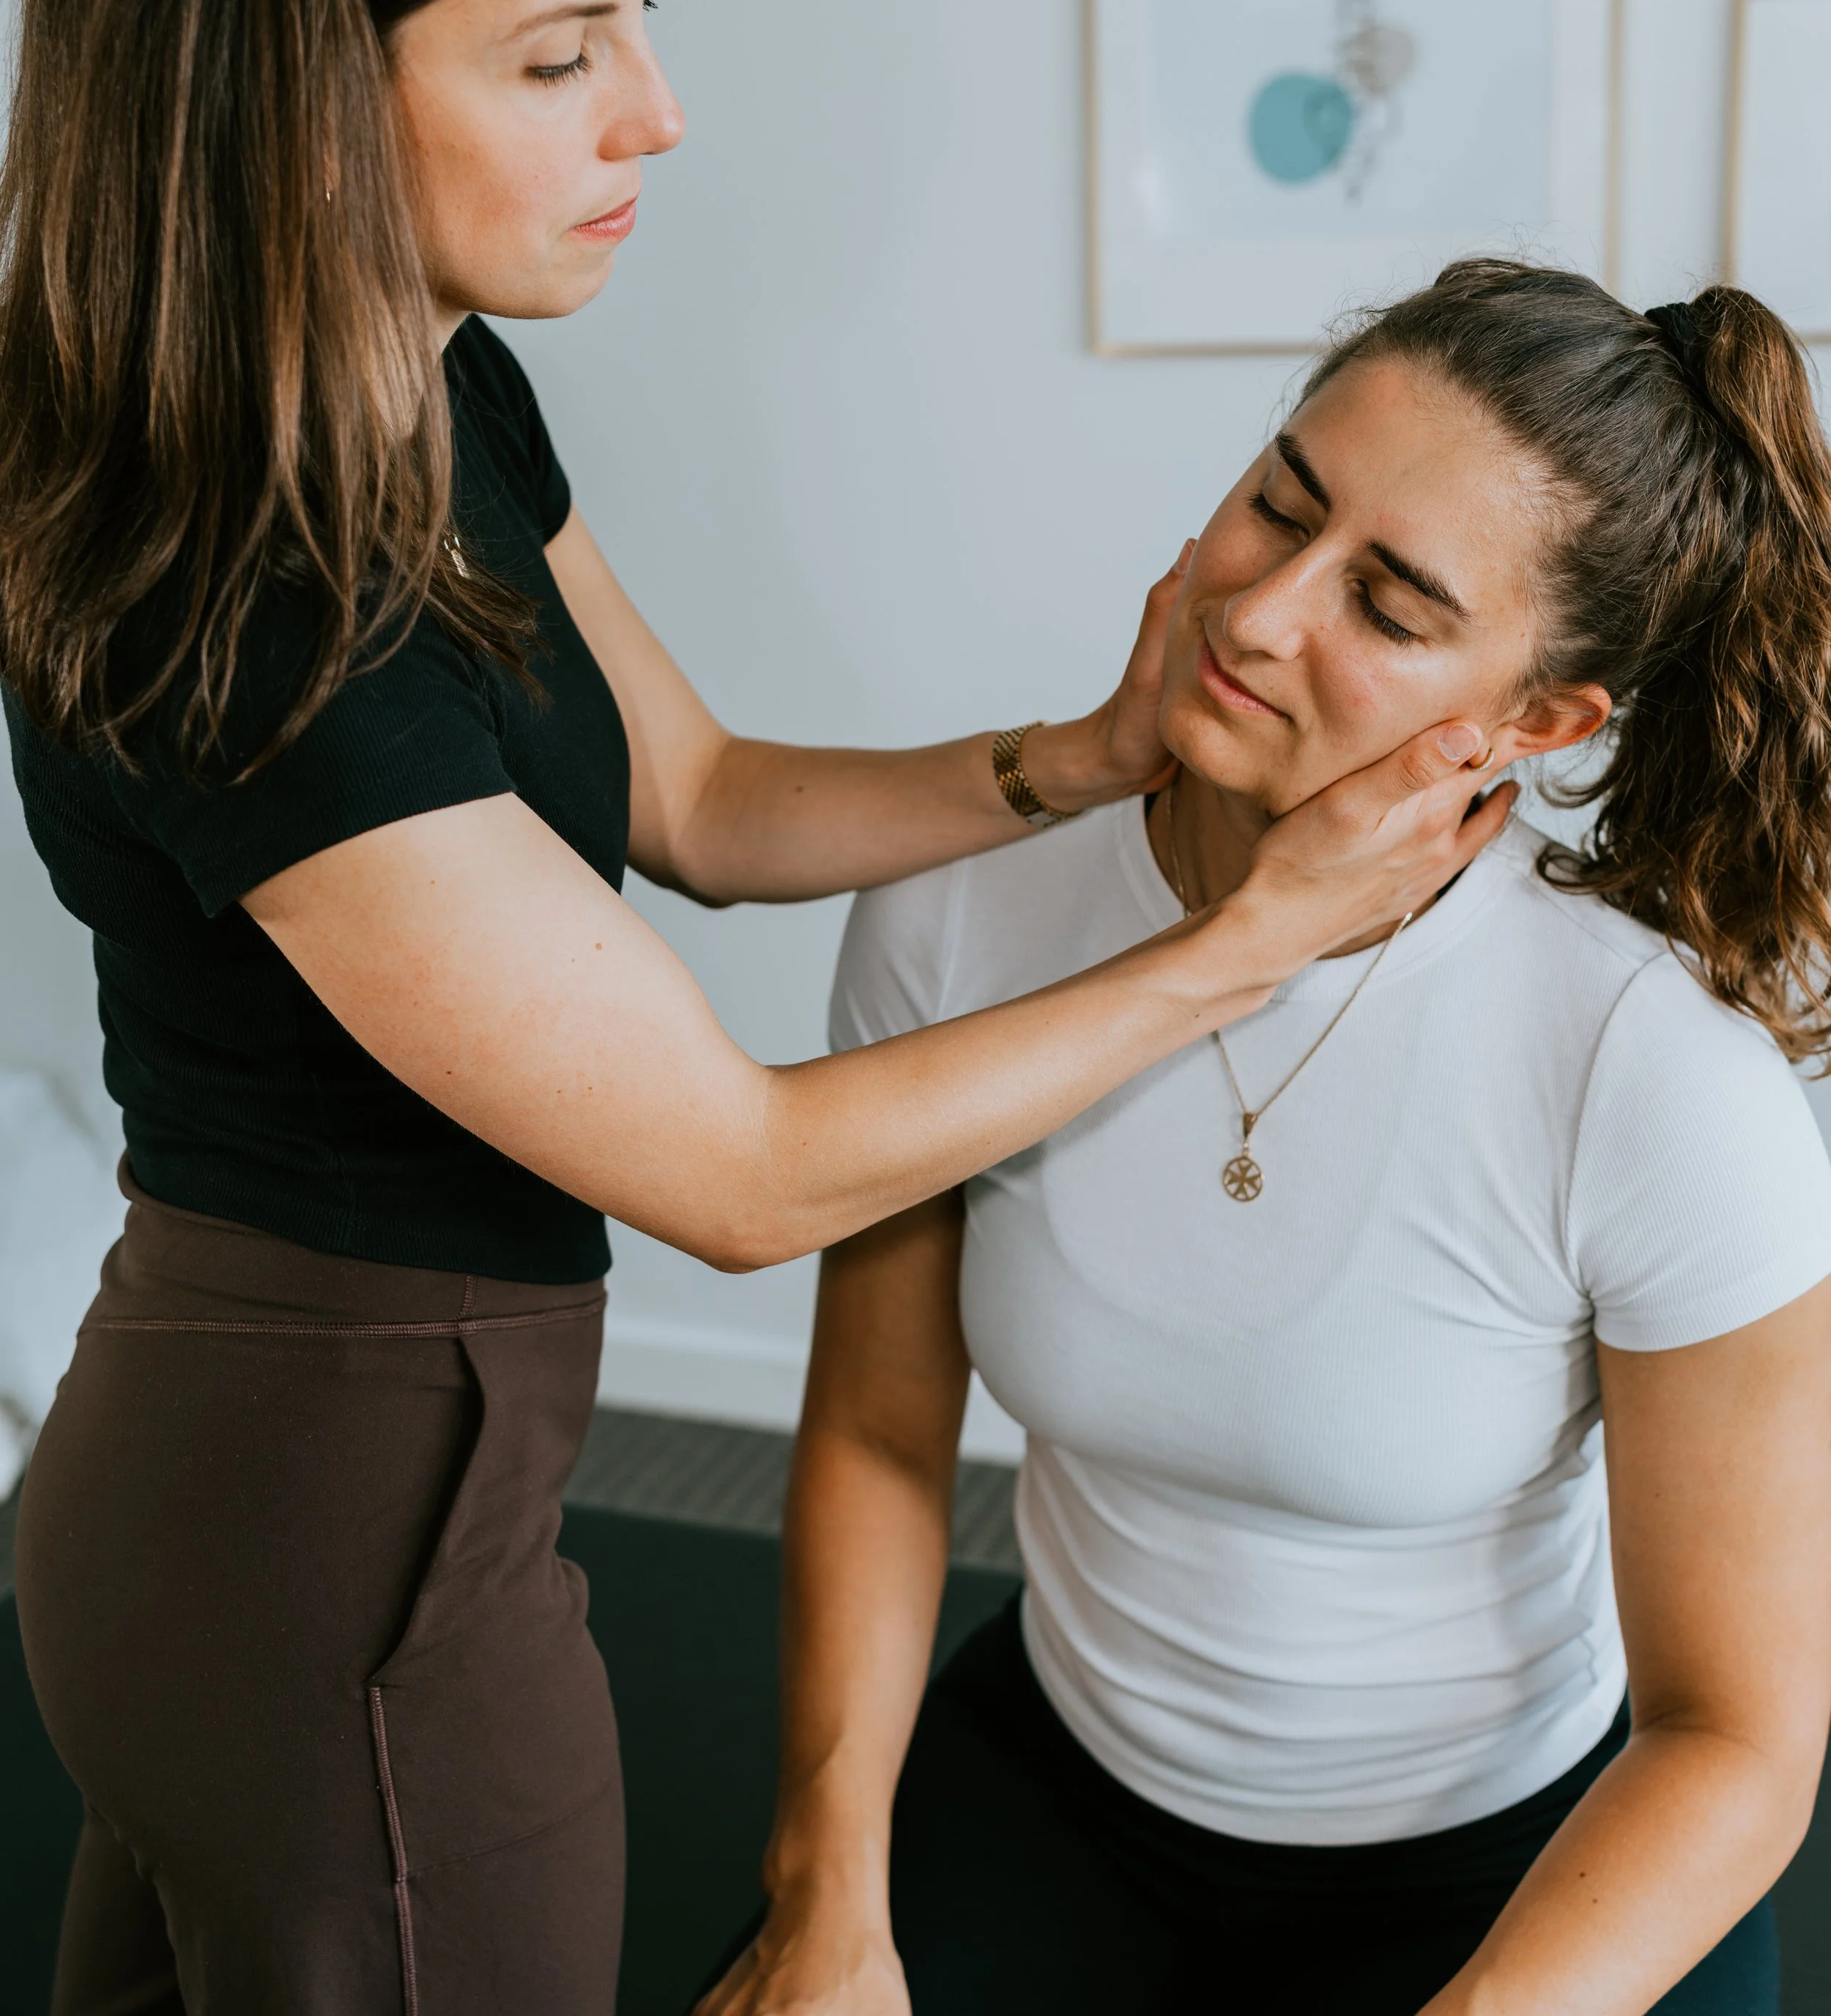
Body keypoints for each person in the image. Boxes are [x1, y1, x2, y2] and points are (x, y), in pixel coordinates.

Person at [0, 0, 1512, 2007]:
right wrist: (1249, 942)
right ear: (286, 82)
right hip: (333, 1532)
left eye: (643, 8)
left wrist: (1079, 758)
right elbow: (742, 1172)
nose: (655, 111)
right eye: (558, 48)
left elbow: (689, 797)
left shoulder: (419, 381)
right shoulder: (252, 584)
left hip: (233, 1477)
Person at [702, 264, 1831, 2016]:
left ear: (1534, 720)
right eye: (1275, 504)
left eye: (1386, 606)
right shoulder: (961, 912)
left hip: (1515, 1873)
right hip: (1059, 1786)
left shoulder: (1651, 1077)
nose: (1257, 609)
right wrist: (824, 1888)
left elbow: (1736, 1731)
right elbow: (872, 1431)